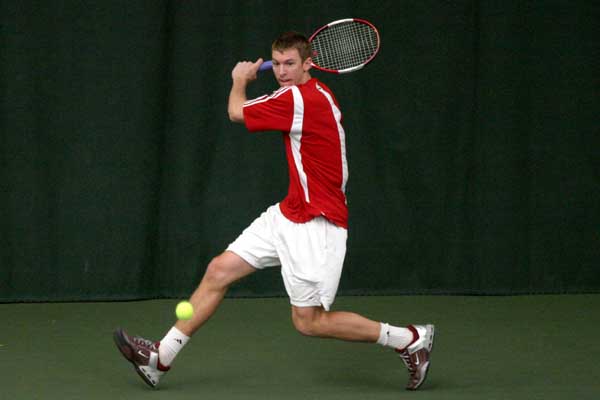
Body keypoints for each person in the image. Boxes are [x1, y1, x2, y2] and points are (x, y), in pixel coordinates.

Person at [113, 31, 434, 391]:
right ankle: (160, 358)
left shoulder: (300, 98)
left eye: (290, 64)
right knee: (219, 270)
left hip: (317, 222)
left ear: (308, 63)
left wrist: (239, 80)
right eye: (277, 63)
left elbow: (236, 112)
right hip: (289, 212)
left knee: (309, 322)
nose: (281, 71)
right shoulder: (310, 94)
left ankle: (408, 339)